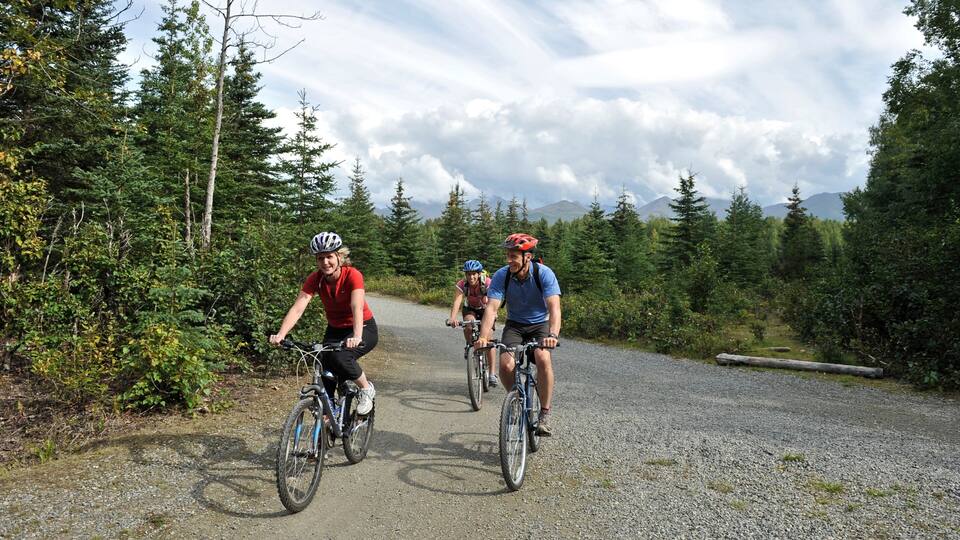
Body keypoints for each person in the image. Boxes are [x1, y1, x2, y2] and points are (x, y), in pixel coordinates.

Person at [269, 232, 377, 414]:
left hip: (363, 327)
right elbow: (298, 308)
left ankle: (366, 389)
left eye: (329, 257)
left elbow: (356, 307)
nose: (325, 262)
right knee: (324, 367)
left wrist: (357, 336)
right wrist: (281, 334)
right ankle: (329, 417)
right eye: (320, 258)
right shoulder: (315, 279)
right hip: (335, 329)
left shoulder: (353, 275)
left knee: (341, 357)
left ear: (339, 257)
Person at [475, 233, 561, 435]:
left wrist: (553, 335)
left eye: (514, 256)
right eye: (508, 255)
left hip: (540, 325)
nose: (509, 260)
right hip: (515, 326)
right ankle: (517, 399)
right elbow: (492, 309)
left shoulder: (544, 273)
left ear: (527, 257)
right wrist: (483, 337)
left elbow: (554, 307)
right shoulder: (501, 275)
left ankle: (545, 414)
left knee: (542, 357)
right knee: (505, 364)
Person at [446, 260, 499, 387]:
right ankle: (469, 346)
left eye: (474, 274)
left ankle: (492, 374)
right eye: (468, 274)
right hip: (470, 309)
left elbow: (493, 302)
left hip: (486, 309)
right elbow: (457, 302)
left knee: (488, 339)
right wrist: (452, 318)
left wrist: (494, 313)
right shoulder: (462, 284)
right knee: (469, 324)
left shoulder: (487, 283)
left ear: (479, 273)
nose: (471, 277)